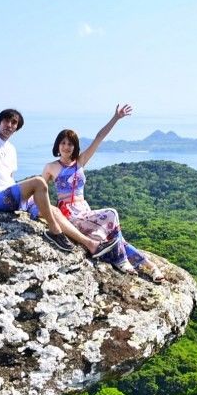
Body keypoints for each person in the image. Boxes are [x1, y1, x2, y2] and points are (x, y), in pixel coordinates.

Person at [0, 79, 117, 259]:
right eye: (7, 121)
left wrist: (29, 200)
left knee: (53, 210)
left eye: (14, 123)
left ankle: (90, 244)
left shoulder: (11, 150)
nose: (9, 125)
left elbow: (9, 177)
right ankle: (54, 232)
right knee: (38, 182)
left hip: (12, 197)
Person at [41, 104, 165, 283]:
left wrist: (116, 118)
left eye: (70, 144)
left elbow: (99, 138)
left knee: (117, 238)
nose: (66, 147)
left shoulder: (80, 161)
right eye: (63, 143)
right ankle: (126, 262)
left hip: (85, 210)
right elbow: (39, 189)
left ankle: (151, 267)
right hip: (70, 215)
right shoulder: (51, 167)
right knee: (112, 214)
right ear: (58, 145)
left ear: (75, 147)